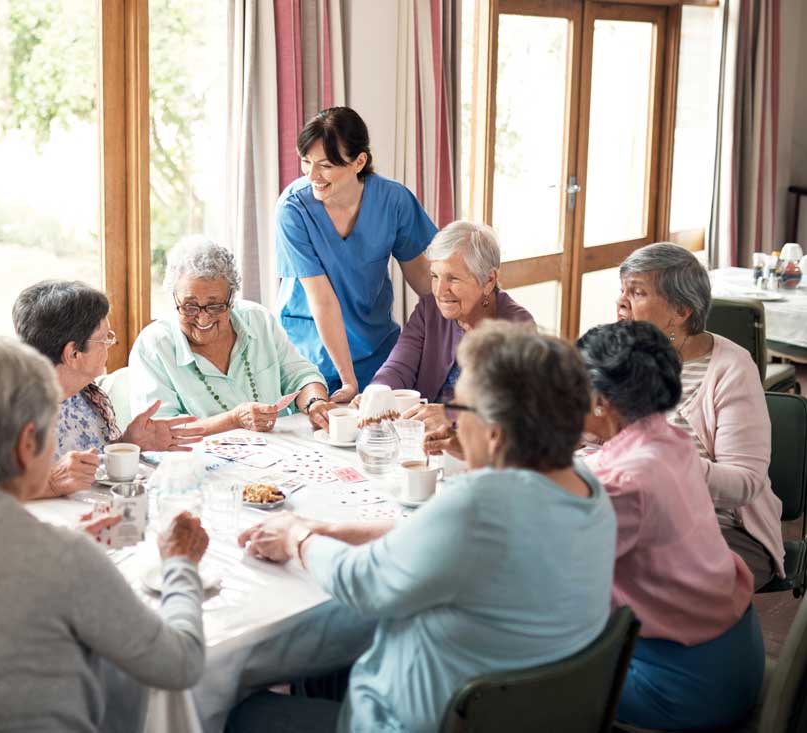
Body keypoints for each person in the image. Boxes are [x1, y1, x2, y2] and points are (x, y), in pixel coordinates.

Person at [230, 321, 616, 732]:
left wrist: (296, 536)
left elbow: (362, 581)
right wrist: (332, 530)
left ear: (496, 433)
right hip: (531, 712)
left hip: (408, 721)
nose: (451, 422)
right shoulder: (586, 487)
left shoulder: (480, 505)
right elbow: (447, 538)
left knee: (240, 709)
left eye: (458, 409)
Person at [0, 335, 209, 733]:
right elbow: (180, 665)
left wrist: (56, 545)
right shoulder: (63, 559)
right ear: (28, 443)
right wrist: (181, 563)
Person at [578, 320, 763, 730]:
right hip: (733, 656)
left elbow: (558, 577)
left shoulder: (624, 482)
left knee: (512, 667)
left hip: (684, 688)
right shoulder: (668, 439)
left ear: (600, 401)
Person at [0, 279, 203, 499]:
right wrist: (48, 483)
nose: (111, 346)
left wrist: (129, 443)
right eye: (104, 338)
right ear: (72, 353)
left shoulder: (91, 397)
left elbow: (95, 468)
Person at [615, 242, 783, 589]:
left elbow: (746, 482)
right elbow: (590, 433)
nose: (621, 303)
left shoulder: (731, 368)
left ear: (681, 311)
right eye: (622, 291)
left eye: (637, 292)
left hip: (722, 526)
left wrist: (667, 466)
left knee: (627, 571)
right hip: (637, 513)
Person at [275, 106, 438, 401]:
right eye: (306, 162)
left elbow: (423, 279)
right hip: (309, 352)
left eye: (325, 165)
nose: (313, 175)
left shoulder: (393, 201)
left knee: (382, 436)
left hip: (376, 348)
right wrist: (348, 383)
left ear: (359, 161)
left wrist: (473, 311)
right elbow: (322, 300)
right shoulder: (293, 209)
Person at [130, 239, 335, 435]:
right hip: (201, 465)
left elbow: (301, 375)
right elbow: (158, 431)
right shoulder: (153, 347)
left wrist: (314, 402)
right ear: (174, 298)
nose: (202, 319)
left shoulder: (258, 320)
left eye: (215, 306)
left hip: (278, 454)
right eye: (189, 306)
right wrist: (234, 420)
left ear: (232, 298)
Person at [369, 220, 533, 405]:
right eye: (435, 276)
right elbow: (398, 367)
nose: (439, 291)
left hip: (478, 433)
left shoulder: (517, 326)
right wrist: (377, 392)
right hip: (422, 429)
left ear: (489, 280)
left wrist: (450, 416)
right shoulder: (428, 309)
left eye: (453, 279)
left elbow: (508, 405)